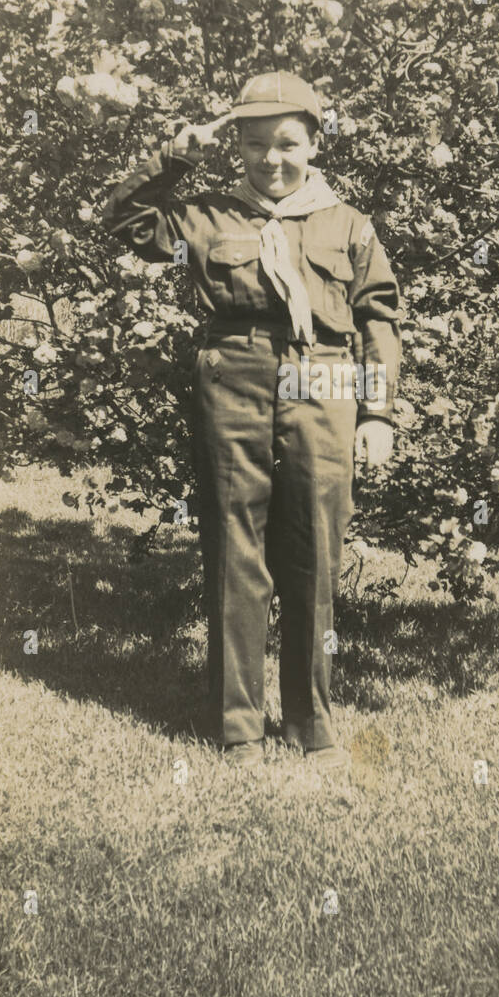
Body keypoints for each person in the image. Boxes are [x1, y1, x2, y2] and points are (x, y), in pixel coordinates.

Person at [101, 70, 401, 771]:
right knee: (236, 552)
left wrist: (379, 410)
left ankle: (310, 722)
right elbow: (120, 219)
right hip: (232, 374)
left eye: (288, 143)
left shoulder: (348, 225)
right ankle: (237, 726)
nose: (272, 159)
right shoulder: (203, 218)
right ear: (235, 147)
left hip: (323, 377)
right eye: (255, 144)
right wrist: (174, 160)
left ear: (314, 144)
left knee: (315, 555)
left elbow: (379, 320)